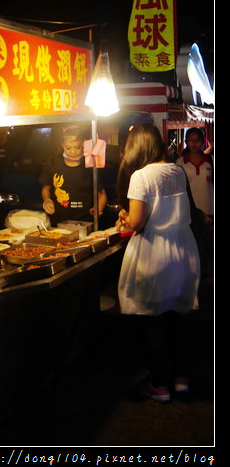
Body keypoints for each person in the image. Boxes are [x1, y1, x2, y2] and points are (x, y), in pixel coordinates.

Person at [115, 124, 201, 403]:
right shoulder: (177, 170)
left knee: (154, 321)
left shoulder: (140, 176)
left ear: (137, 147)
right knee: (178, 318)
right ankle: (181, 381)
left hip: (155, 252)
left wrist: (124, 217)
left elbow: (137, 222)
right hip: (183, 250)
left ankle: (159, 385)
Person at [39, 125, 107, 227]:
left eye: (77, 147)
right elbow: (46, 189)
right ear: (62, 144)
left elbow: (102, 194)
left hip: (85, 222)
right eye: (68, 148)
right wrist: (47, 201)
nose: (73, 151)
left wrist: (98, 208)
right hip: (59, 221)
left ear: (83, 144)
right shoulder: (53, 163)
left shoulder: (90, 164)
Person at [176, 127, 214, 225]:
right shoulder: (180, 162)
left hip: (209, 210)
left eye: (197, 140)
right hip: (189, 211)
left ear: (202, 141)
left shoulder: (211, 160)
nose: (194, 143)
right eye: (191, 140)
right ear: (186, 142)